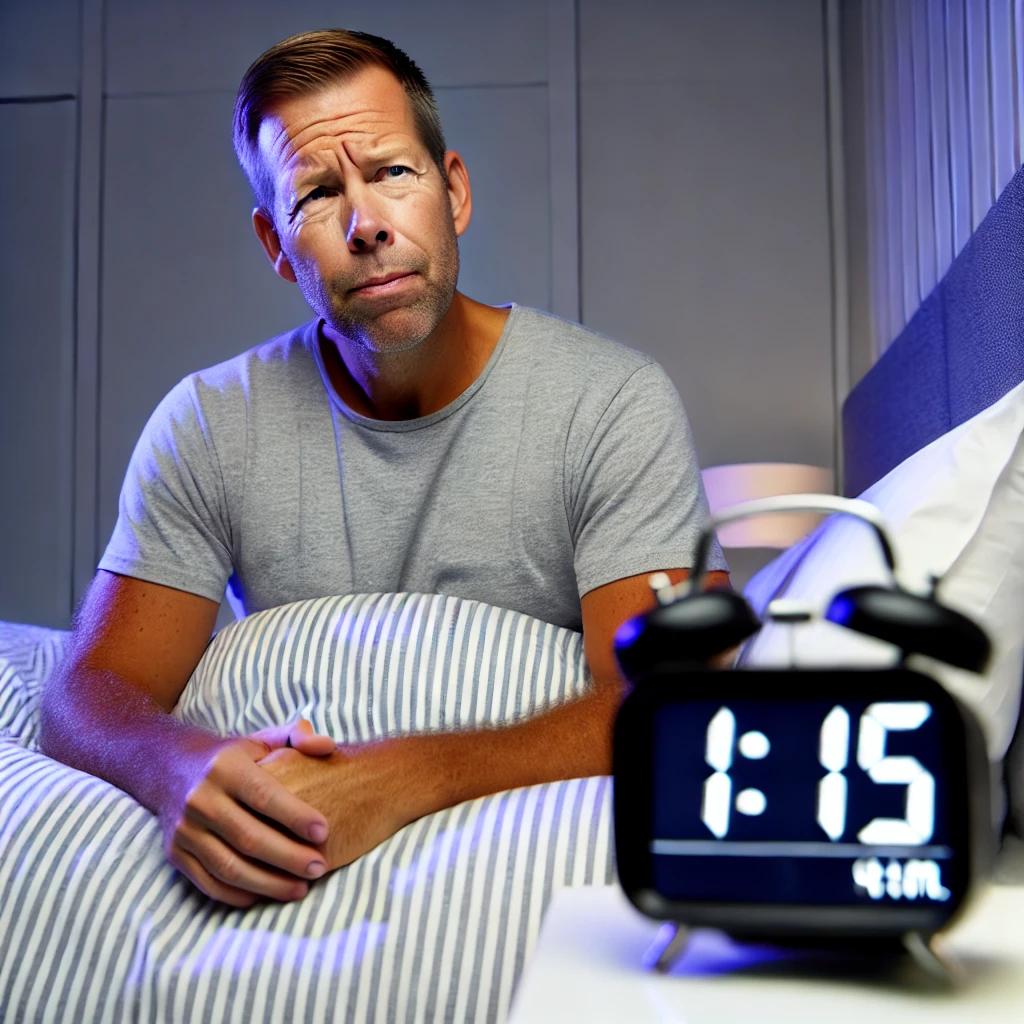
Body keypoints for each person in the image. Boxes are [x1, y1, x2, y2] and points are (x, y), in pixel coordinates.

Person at [39, 29, 728, 908]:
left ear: (455, 190)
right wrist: (180, 766)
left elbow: (667, 699)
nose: (366, 224)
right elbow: (88, 692)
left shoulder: (611, 402)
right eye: (319, 193)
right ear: (276, 244)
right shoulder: (210, 422)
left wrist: (403, 775)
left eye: (394, 174)